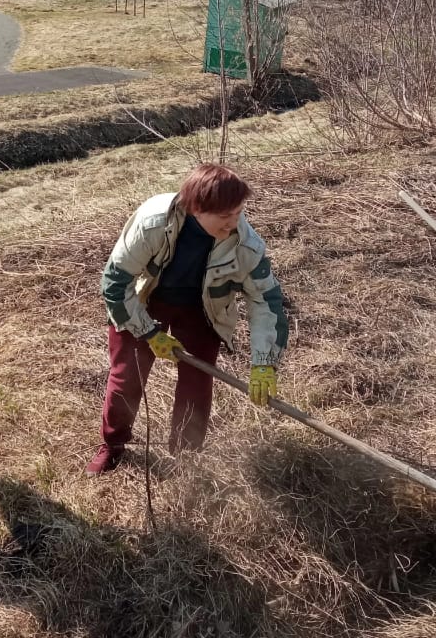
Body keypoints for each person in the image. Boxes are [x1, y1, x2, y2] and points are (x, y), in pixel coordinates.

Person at [87, 162, 289, 476]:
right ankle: (113, 445)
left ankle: (185, 456)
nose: (233, 223)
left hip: (203, 307)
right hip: (145, 299)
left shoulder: (246, 245)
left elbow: (267, 303)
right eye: (224, 216)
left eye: (238, 213)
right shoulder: (154, 222)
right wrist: (149, 333)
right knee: (127, 377)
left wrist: (264, 361)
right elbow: (115, 283)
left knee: (196, 383)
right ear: (197, 208)